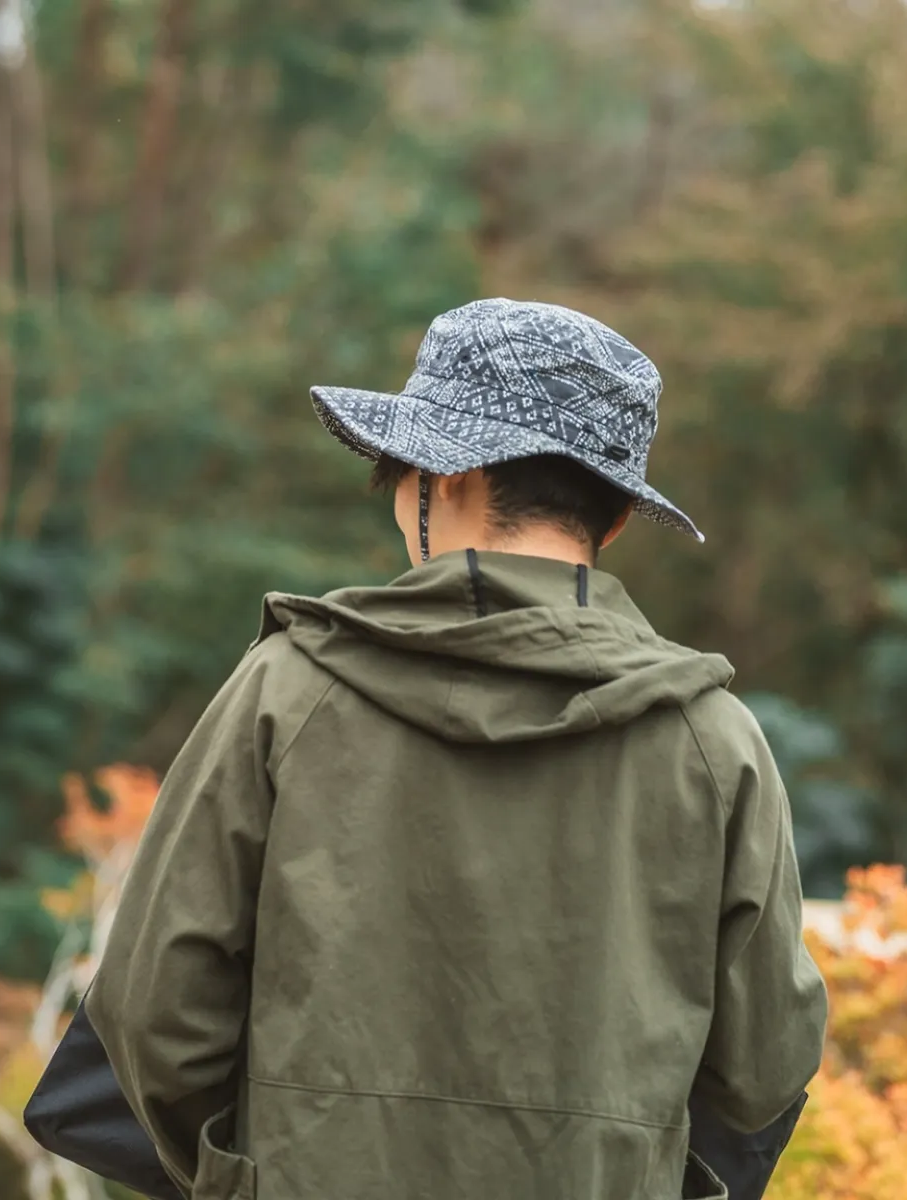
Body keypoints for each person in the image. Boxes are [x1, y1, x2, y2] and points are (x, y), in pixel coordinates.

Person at [83, 299, 828, 1199]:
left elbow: (151, 1009)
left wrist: (241, 1176)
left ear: (451, 473)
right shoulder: (713, 741)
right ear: (620, 517)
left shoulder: (291, 690)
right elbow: (767, 1062)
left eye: (399, 470)